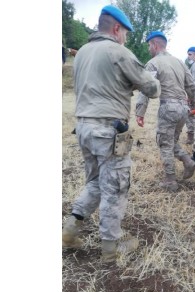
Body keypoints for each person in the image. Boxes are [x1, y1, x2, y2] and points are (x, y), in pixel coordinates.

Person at [62, 5, 161, 262]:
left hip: (83, 126)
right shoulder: (118, 51)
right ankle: (111, 248)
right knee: (115, 188)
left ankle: (69, 231)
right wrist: (150, 76)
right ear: (117, 29)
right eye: (125, 33)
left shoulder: (82, 52)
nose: (126, 38)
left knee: (94, 182)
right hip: (108, 130)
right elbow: (151, 88)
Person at [134, 31, 195, 191]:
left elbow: (146, 88)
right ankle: (188, 162)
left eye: (149, 45)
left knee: (164, 142)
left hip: (168, 108)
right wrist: (194, 106)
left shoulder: (153, 63)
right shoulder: (180, 62)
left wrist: (140, 112)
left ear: (155, 45)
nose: (149, 48)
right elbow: (192, 86)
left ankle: (170, 180)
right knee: (171, 141)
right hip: (183, 109)